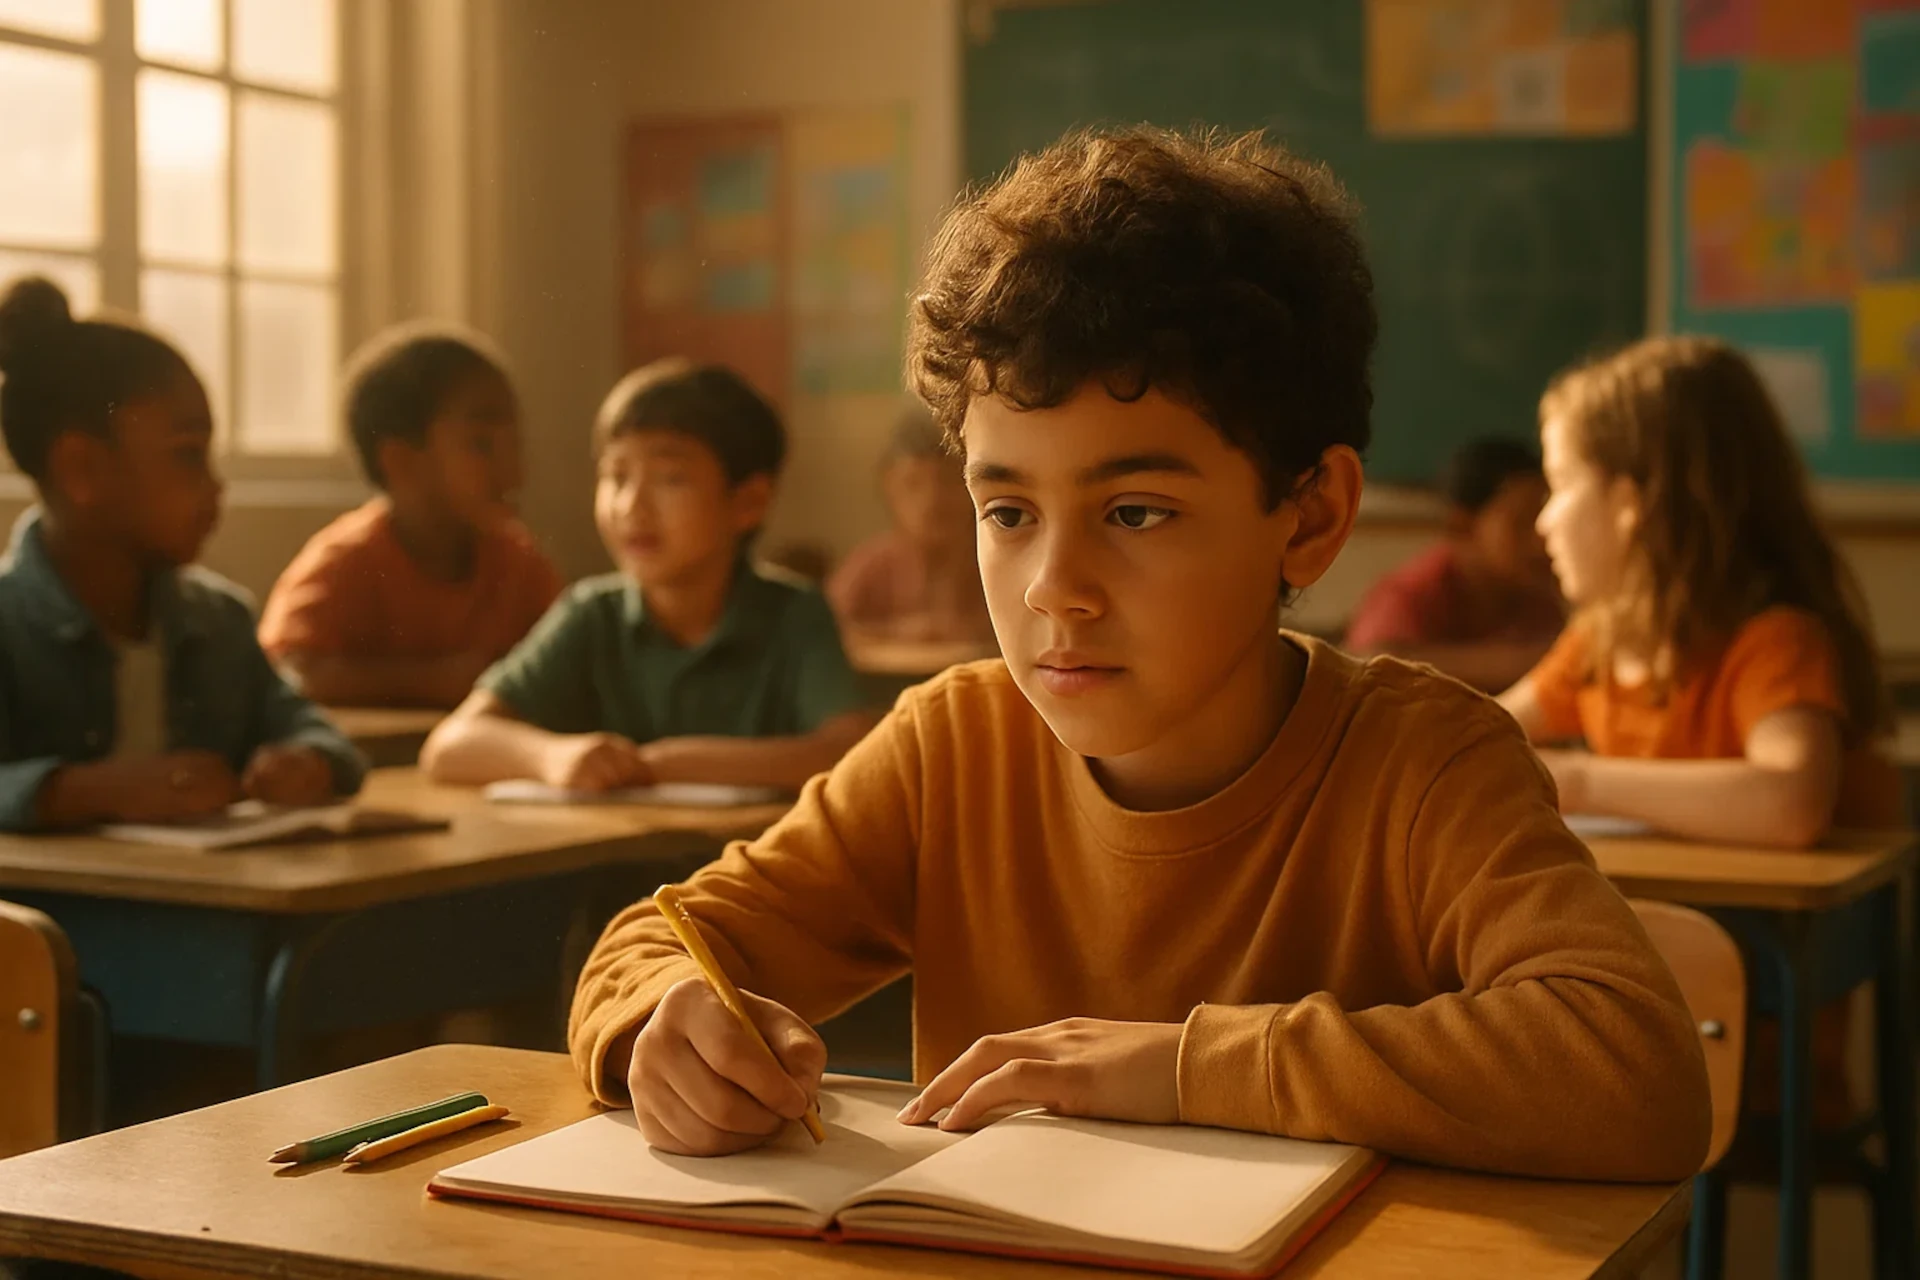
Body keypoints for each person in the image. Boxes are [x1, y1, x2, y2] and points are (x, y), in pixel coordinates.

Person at [566, 129, 1711, 1181]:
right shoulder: (952, 747)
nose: (1054, 588)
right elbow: (657, 939)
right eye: (1007, 512)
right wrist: (667, 1020)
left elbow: (1634, 1069)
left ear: (1309, 515)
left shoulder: (1424, 762)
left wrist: (1181, 1067)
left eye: (1136, 512)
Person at [1499, 335, 1903, 1130]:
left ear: (1633, 501)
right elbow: (1485, 734)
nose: (1543, 520)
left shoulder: (1775, 640)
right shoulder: (1600, 645)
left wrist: (1579, 779)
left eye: (1559, 485)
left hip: (1755, 1049)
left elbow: (1788, 803)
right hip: (1635, 1017)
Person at [0, 277, 364, 832]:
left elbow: (316, 733)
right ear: (81, 469)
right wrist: (79, 791)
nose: (216, 487)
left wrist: (308, 762)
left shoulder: (220, 620)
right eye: (187, 456)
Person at [420, 359, 873, 793]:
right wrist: (551, 756)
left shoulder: (794, 615)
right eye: (616, 476)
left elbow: (851, 751)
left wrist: (661, 765)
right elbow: (450, 745)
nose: (631, 507)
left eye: (670, 478)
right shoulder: (592, 615)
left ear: (748, 502)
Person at [258, 326, 563, 708]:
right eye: (482, 444)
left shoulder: (521, 566)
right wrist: (433, 681)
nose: (515, 470)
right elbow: (287, 672)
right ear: (401, 461)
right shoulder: (345, 563)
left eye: (514, 445)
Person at [1344, 436, 1563, 690]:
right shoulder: (1409, 595)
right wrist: (1525, 664)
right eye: (1523, 522)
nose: (1541, 540)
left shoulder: (1535, 595)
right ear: (1463, 526)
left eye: (1545, 518)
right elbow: (1369, 663)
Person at [828, 404, 992, 644]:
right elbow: (823, 628)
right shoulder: (874, 564)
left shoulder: (992, 561)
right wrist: (893, 633)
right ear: (889, 487)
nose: (932, 500)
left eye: (948, 480)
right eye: (912, 484)